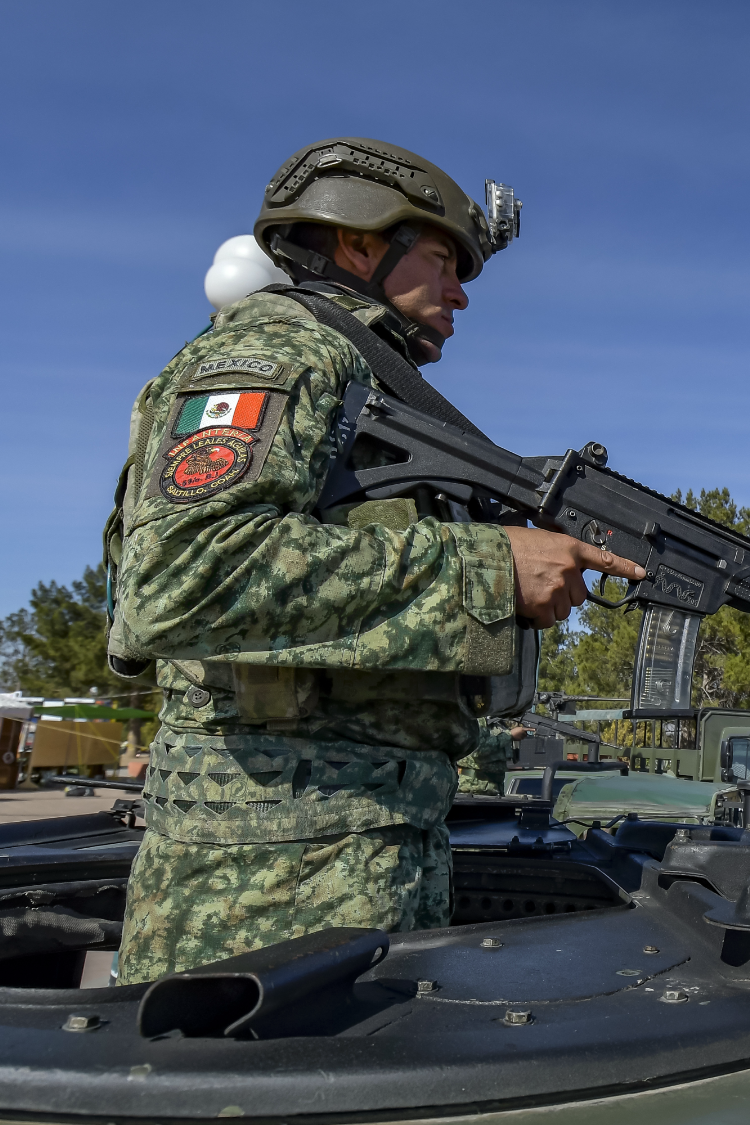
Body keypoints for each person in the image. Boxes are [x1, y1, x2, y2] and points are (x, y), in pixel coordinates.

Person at [107, 138, 646, 984]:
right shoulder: (284, 352)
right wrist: (492, 568)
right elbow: (181, 578)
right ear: (360, 245)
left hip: (348, 851)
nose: (461, 292)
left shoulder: (364, 381)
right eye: (443, 261)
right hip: (264, 886)